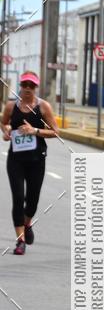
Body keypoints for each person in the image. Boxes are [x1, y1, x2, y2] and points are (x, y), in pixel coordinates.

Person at [1, 72, 58, 255]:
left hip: (36, 160)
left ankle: (27, 222)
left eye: (31, 85)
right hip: (16, 160)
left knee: (31, 201)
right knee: (18, 198)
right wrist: (7, 131)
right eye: (24, 84)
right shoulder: (11, 106)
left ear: (36, 87)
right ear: (20, 85)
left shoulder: (43, 107)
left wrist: (34, 130)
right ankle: (20, 241)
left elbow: (55, 131)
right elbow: (3, 123)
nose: (27, 88)